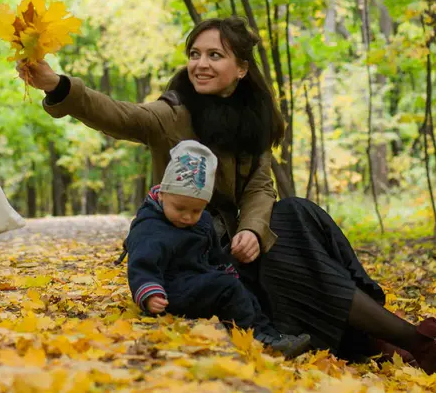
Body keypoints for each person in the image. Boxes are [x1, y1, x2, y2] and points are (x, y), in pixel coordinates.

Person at [19, 16, 436, 373]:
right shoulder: (174, 113)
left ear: (241, 68)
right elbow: (121, 116)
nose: (200, 63)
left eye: (215, 55)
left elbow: (260, 186)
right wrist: (58, 85)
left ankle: (381, 335)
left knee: (300, 214)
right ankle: (415, 340)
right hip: (200, 251)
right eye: (196, 53)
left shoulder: (253, 119)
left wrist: (251, 228)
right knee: (291, 223)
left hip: (240, 242)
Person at [126, 140, 315, 359]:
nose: (187, 217)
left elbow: (214, 255)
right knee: (226, 287)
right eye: (180, 208)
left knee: (242, 289)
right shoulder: (150, 227)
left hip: (198, 281)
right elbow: (141, 264)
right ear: (162, 195)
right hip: (169, 288)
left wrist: (227, 268)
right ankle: (255, 337)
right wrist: (149, 293)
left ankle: (272, 334)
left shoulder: (203, 222)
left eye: (196, 210)